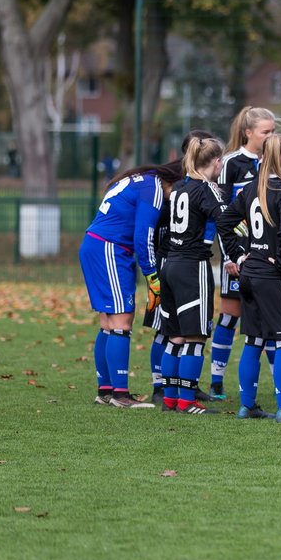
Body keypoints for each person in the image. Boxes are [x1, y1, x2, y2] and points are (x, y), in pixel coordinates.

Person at [216, 135, 281, 424]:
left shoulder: (251, 188)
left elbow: (224, 222)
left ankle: (247, 406)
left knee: (254, 340)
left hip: (250, 274)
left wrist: (239, 255)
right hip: (274, 276)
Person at [79, 156, 185, 408]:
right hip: (109, 249)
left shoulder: (143, 180)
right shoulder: (155, 189)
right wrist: (152, 276)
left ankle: (106, 391)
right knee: (121, 320)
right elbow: (142, 237)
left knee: (109, 321)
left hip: (97, 245)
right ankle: (120, 395)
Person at [145, 128, 219, 405]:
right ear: (212, 162)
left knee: (174, 337)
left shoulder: (178, 188)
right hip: (192, 266)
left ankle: (171, 399)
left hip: (170, 263)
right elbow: (226, 221)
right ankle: (188, 402)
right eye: (220, 160)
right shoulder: (205, 190)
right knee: (195, 337)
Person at [210, 107, 280, 400]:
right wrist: (230, 255)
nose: (270, 136)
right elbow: (222, 214)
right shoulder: (232, 164)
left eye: (273, 131)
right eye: (266, 132)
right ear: (248, 132)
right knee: (230, 315)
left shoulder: (274, 160)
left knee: (274, 319)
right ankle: (216, 380)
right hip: (240, 253)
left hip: (267, 254)